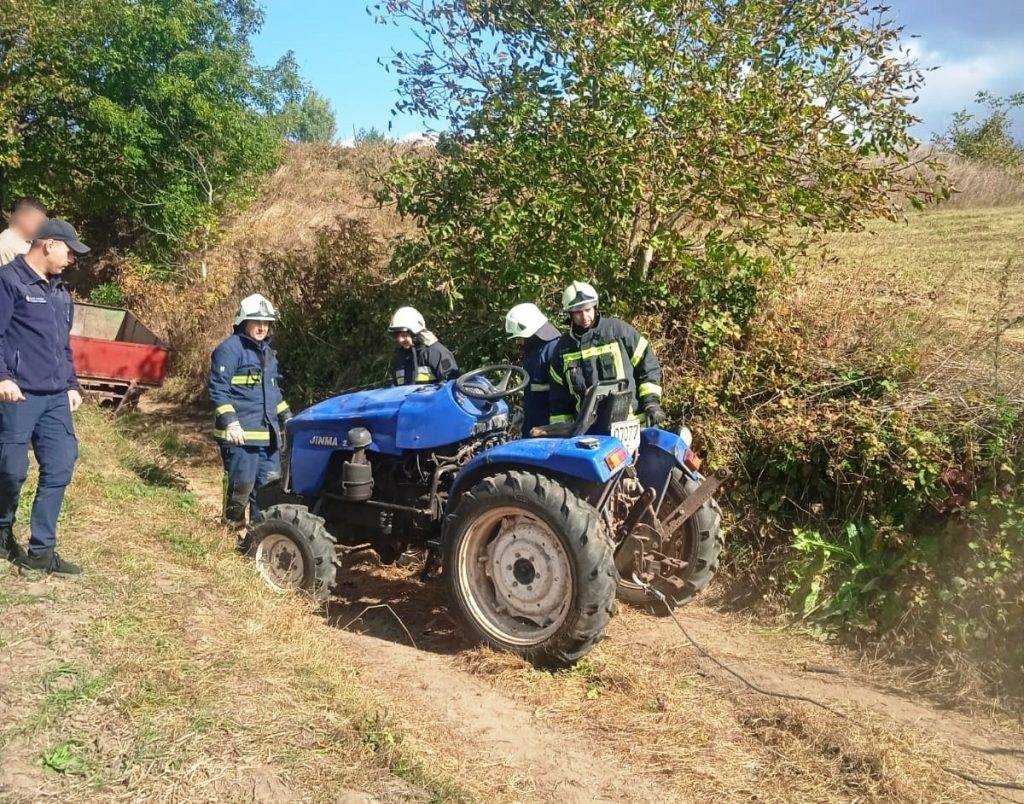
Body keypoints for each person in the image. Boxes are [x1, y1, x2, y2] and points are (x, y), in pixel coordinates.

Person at [0, 220, 89, 573]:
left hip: (54, 396)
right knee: (11, 470)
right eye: (69, 251)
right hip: (18, 395)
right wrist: (3, 377)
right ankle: (3, 528)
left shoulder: (60, 291)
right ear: (49, 244)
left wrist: (71, 383)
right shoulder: (9, 281)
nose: (72, 260)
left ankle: (41, 553)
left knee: (61, 464)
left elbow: (61, 346)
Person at [208, 294, 291, 529]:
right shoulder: (229, 350)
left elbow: (274, 393)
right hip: (240, 436)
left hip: (268, 438)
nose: (262, 327)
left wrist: (288, 418)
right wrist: (231, 422)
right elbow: (218, 390)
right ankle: (230, 534)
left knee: (269, 491)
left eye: (266, 323)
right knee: (240, 488)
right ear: (244, 321)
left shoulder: (268, 353)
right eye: (257, 321)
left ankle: (258, 538)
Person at [548, 280, 666, 428]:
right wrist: (561, 432)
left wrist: (651, 403)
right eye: (578, 312)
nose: (584, 317)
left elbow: (648, 367)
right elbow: (559, 400)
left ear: (596, 307)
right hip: (590, 434)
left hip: (631, 426)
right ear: (569, 314)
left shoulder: (618, 331)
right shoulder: (563, 349)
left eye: (588, 310)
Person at [504, 302, 560, 435]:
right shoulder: (534, 350)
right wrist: (521, 412)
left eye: (520, 338)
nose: (518, 342)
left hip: (548, 429)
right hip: (532, 424)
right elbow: (532, 389)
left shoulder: (554, 349)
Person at [389, 306, 459, 385]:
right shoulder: (400, 357)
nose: (400, 340)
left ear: (415, 332)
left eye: (404, 335)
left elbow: (451, 386)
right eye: (396, 335)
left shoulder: (436, 352)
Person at [0, 198, 48, 266]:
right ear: (21, 218)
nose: (41, 228)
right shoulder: (6, 244)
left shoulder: (28, 241)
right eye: (38, 223)